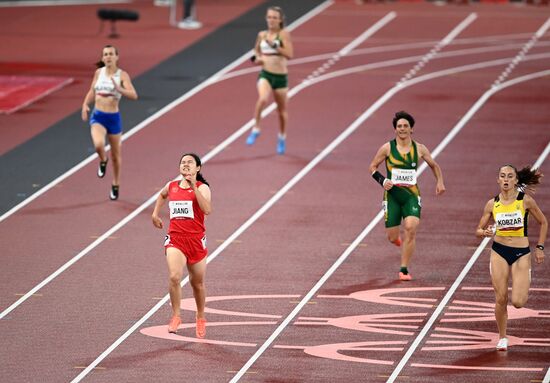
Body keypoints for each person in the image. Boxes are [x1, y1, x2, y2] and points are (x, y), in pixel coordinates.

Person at [476, 165, 546, 351]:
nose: (506, 180)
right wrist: (485, 232)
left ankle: (524, 282)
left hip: (521, 253)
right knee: (500, 298)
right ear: (498, 180)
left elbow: (544, 222)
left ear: (516, 181)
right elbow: (478, 229)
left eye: (509, 176)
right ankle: (503, 337)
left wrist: (539, 247)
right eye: (502, 176)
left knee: (518, 302)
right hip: (499, 251)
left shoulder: (526, 201)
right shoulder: (492, 204)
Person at [369, 111, 445, 281]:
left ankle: (404, 269)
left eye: (405, 126)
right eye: (399, 126)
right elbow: (372, 167)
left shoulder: (419, 149)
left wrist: (440, 181)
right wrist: (382, 180)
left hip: (411, 195)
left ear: (411, 129)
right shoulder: (387, 148)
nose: (402, 129)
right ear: (395, 130)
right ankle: (396, 240)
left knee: (410, 228)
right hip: (392, 197)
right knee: (392, 236)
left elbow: (434, 165)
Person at [151, 153, 212, 338]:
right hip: (176, 239)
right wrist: (155, 214)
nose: (186, 165)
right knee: (174, 276)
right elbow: (162, 195)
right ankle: (176, 316)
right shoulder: (172, 186)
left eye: (190, 162)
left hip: (196, 240)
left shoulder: (203, 188)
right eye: (183, 162)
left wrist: (194, 187)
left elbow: (207, 210)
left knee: (197, 283)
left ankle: (200, 317)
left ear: (198, 168)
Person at [81, 45, 138, 200]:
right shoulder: (98, 73)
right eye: (105, 54)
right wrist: (85, 104)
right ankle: (102, 159)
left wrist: (120, 90)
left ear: (116, 57)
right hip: (98, 116)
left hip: (113, 118)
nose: (108, 57)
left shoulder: (122, 75)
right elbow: (92, 91)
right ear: (102, 58)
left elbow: (134, 95)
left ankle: (116, 183)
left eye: (111, 54)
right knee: (98, 145)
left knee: (116, 155)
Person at [245, 6, 293, 155]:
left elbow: (289, 54)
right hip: (266, 74)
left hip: (280, 78)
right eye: (269, 17)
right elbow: (257, 52)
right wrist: (256, 60)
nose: (271, 20)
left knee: (281, 112)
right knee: (263, 99)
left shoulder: (283, 35)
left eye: (274, 17)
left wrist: (274, 47)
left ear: (280, 20)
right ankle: (256, 128)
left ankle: (282, 137)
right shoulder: (262, 35)